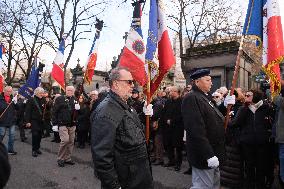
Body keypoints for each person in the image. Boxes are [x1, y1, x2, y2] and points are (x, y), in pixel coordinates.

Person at [91, 67, 153, 189]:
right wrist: (114, 186)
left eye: (133, 82)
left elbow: (133, 131)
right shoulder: (106, 111)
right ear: (116, 84)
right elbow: (102, 156)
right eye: (129, 82)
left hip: (138, 177)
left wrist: (146, 116)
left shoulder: (126, 105)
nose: (132, 85)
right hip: (127, 181)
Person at [181, 69, 231, 189]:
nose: (211, 83)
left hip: (214, 151)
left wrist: (225, 106)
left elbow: (215, 117)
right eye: (208, 80)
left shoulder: (205, 97)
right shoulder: (191, 98)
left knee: (213, 185)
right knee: (203, 186)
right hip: (204, 154)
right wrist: (208, 154)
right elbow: (195, 130)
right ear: (197, 82)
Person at [232, 89, 274, 189]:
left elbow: (271, 123)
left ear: (255, 96)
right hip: (247, 143)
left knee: (261, 167)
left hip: (262, 143)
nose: (245, 96)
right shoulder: (244, 108)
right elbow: (236, 123)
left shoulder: (266, 107)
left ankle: (261, 185)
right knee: (249, 167)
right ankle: (249, 185)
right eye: (245, 95)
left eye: (248, 95)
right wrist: (244, 108)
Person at [52, 86, 80, 167]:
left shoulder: (75, 99)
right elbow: (54, 112)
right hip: (62, 123)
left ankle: (67, 158)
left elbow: (77, 113)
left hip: (72, 124)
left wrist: (78, 109)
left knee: (71, 141)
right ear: (65, 90)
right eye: (68, 90)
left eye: (71, 90)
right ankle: (60, 158)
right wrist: (54, 124)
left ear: (73, 91)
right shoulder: (59, 99)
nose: (69, 91)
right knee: (65, 140)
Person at [25, 87, 46, 157]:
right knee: (35, 135)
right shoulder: (31, 100)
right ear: (36, 93)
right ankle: (34, 150)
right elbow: (28, 111)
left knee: (40, 135)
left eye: (42, 93)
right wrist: (27, 121)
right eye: (40, 93)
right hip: (34, 120)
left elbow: (45, 109)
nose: (42, 94)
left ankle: (37, 148)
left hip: (41, 121)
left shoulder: (44, 99)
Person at [0, 86, 17, 155]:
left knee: (12, 136)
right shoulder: (0, 99)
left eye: (10, 91)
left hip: (11, 121)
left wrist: (16, 103)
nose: (9, 93)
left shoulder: (13, 99)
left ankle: (10, 150)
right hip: (2, 121)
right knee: (1, 136)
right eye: (8, 91)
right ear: (4, 91)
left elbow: (18, 108)